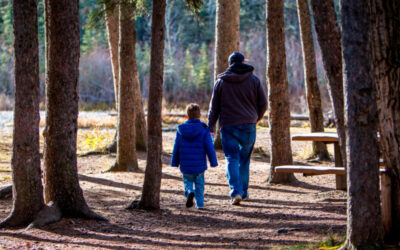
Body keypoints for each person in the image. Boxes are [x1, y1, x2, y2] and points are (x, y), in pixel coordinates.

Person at [208, 52, 268, 205]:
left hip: (228, 125)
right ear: (243, 62)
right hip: (249, 125)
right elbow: (263, 104)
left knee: (232, 159)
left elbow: (213, 108)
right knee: (244, 160)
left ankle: (236, 192)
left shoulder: (221, 82)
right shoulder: (254, 80)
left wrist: (211, 126)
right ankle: (244, 192)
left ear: (230, 64)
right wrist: (255, 118)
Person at [171, 103, 218, 209]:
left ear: (187, 116)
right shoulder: (204, 130)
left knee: (187, 181)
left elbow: (176, 146)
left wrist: (174, 162)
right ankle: (200, 204)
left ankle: (189, 192)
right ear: (199, 116)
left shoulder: (181, 131)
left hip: (186, 165)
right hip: (199, 165)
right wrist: (213, 162)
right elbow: (209, 147)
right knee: (200, 185)